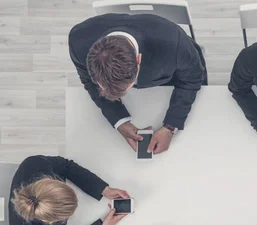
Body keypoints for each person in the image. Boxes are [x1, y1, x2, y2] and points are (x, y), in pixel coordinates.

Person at [68, 13, 207, 154]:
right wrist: (119, 120)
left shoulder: (174, 43)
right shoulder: (77, 41)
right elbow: (88, 81)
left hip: (175, 76)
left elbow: (193, 78)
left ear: (138, 59)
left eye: (128, 86)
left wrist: (171, 126)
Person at [9, 155, 129, 225]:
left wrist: (103, 189)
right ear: (50, 222)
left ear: (49, 180)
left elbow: (66, 165)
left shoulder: (35, 164)